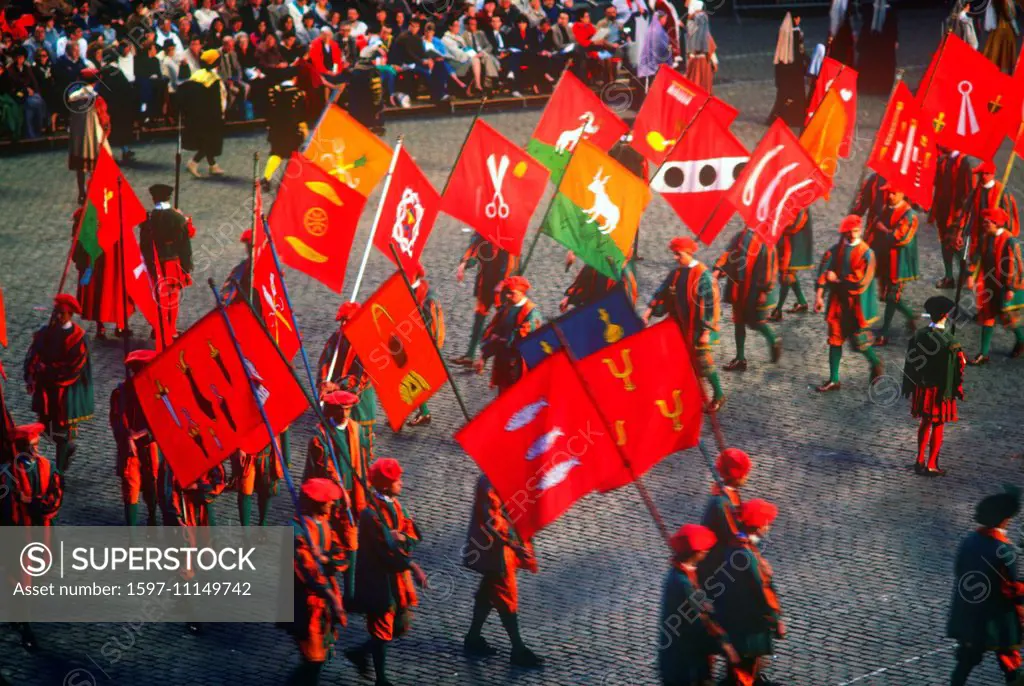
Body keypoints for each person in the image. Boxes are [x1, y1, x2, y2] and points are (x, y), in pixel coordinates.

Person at [345, 458, 428, 686]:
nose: (401, 482)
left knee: (399, 626)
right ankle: (381, 679)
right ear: (384, 485)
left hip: (396, 578)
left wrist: (403, 538)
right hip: (379, 580)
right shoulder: (370, 515)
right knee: (382, 628)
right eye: (396, 480)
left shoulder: (396, 505)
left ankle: (360, 652)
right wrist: (411, 564)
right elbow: (384, 551)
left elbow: (411, 533)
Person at [462, 474, 542, 667]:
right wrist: (512, 543)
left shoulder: (500, 475)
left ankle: (473, 637)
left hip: (502, 548)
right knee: (507, 595)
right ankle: (518, 648)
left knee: (488, 592)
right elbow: (493, 521)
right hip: (496, 550)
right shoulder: (489, 481)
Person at [948, 487, 1024, 686]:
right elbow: (1010, 589)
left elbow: (959, 569)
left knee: (965, 662)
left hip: (968, 611)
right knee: (1009, 661)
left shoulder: (969, 541)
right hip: (996, 618)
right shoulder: (1004, 550)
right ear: (1005, 519)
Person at [644, 237, 724, 411]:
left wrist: (706, 332)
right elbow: (662, 291)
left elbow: (712, 305)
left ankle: (718, 395)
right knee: (679, 361)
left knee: (703, 362)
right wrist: (649, 312)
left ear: (688, 254)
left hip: (699, 328)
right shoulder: (676, 273)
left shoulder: (703, 276)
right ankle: (689, 395)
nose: (675, 258)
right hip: (679, 325)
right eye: (674, 254)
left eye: (677, 254)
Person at [286, 478, 349, 686]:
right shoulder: (297, 530)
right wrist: (330, 595)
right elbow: (306, 571)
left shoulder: (325, 524)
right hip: (304, 600)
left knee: (319, 655)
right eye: (328, 500)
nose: (331, 503)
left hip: (323, 601)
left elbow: (341, 555)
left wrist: (325, 559)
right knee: (313, 657)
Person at [715, 499, 785, 686]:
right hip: (748, 624)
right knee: (745, 667)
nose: (768, 527)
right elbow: (760, 590)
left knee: (740, 666)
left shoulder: (737, 546)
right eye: (766, 523)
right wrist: (774, 619)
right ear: (758, 526)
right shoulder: (746, 554)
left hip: (735, 619)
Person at [659, 524, 739, 686]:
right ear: (696, 553)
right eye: (704, 550)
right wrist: (723, 645)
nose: (707, 552)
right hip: (685, 658)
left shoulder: (682, 574)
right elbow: (697, 619)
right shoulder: (682, 582)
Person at [23, 294, 93, 474]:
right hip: (47, 389)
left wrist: (48, 370)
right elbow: (34, 353)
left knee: (62, 430)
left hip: (65, 391)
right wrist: (33, 371)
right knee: (46, 426)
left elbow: (74, 367)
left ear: (70, 315)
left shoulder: (77, 339)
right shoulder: (46, 333)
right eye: (56, 312)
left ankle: (59, 470)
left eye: (62, 313)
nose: (58, 317)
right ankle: (68, 447)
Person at [813, 214, 884, 392]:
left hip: (856, 306)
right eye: (848, 231)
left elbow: (860, 282)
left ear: (859, 230)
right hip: (838, 304)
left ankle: (875, 363)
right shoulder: (837, 249)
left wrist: (837, 280)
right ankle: (834, 379)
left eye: (854, 231)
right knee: (835, 339)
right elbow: (825, 270)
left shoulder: (867, 254)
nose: (852, 235)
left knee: (859, 340)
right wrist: (820, 295)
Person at [901, 295, 965, 477]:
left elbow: (910, 363)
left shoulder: (918, 335)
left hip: (922, 387)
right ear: (945, 315)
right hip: (939, 390)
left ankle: (919, 459)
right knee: (938, 424)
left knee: (924, 423)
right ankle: (931, 464)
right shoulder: (950, 342)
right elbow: (958, 367)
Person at [713, 228, 782, 371]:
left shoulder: (768, 242)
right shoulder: (741, 235)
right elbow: (729, 253)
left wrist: (765, 290)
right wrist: (719, 268)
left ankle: (773, 340)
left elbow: (770, 269)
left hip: (754, 290)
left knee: (756, 322)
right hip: (738, 287)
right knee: (738, 321)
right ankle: (740, 358)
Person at [317, 302, 378, 459]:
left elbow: (360, 378)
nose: (343, 324)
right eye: (342, 321)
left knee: (359, 451)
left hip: (359, 407)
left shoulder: (366, 343)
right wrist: (324, 382)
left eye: (347, 321)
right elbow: (325, 360)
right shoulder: (337, 337)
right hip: (335, 399)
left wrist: (336, 386)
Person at [967, 207, 1024, 364]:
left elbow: (1014, 265)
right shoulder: (986, 237)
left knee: (1008, 318)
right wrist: (971, 274)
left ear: (996, 223)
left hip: (1005, 287)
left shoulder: (1009, 241)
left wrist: (1010, 288)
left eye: (988, 222)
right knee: (987, 317)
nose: (984, 225)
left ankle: (1022, 340)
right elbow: (977, 256)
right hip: (989, 284)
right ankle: (983, 354)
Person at [452, 233, 519, 366]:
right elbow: (473, 253)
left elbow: (511, 264)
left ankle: (510, 356)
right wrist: (463, 265)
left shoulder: (509, 234)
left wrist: (503, 283)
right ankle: (470, 355)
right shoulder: (482, 233)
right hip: (486, 282)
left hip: (504, 286)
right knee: (480, 314)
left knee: (506, 321)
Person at [110, 349, 160, 526]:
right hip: (129, 447)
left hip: (150, 445)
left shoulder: (157, 393)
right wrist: (128, 439)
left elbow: (162, 422)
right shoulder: (121, 393)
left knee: (152, 482)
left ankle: (152, 516)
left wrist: (142, 434)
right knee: (130, 485)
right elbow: (117, 419)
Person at [140, 183, 194, 341]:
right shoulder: (177, 218)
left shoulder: (148, 218)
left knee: (158, 297)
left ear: (153, 198)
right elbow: (185, 244)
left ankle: (158, 328)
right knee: (172, 298)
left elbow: (144, 243)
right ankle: (171, 330)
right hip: (172, 263)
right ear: (169, 197)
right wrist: (186, 265)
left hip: (154, 263)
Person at [476, 276, 544, 392]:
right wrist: (484, 356)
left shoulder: (532, 313)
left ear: (521, 293)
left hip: (518, 365)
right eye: (506, 293)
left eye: (511, 293)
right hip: (503, 362)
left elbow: (524, 336)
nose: (507, 296)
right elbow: (495, 330)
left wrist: (502, 339)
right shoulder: (506, 307)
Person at [872, 185, 920, 346]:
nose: (890, 195)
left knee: (893, 296)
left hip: (899, 262)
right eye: (888, 192)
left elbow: (900, 237)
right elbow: (874, 225)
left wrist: (884, 229)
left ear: (902, 193)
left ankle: (885, 332)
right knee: (885, 296)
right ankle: (910, 315)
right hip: (884, 259)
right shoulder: (886, 208)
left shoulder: (909, 215)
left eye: (894, 192)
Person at [698, 447, 749, 583]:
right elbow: (733, 534)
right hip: (716, 563)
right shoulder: (721, 502)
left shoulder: (728, 493)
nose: (747, 476)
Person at [178, 48, 227, 178]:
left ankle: (213, 165)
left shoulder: (197, 75)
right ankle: (194, 162)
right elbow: (219, 100)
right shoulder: (214, 80)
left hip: (196, 114)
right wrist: (222, 113)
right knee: (210, 140)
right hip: (210, 116)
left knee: (205, 139)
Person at [65, 68, 110, 204]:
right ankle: (95, 192)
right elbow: (104, 119)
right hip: (93, 134)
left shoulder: (73, 97)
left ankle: (81, 193)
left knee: (80, 167)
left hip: (78, 135)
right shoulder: (96, 99)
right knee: (97, 165)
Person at [930, 148, 973, 289]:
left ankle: (966, 273)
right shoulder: (942, 160)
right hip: (942, 211)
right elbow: (937, 186)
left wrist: (962, 215)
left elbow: (968, 191)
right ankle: (949, 276)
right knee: (944, 243)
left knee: (955, 244)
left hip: (955, 212)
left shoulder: (964, 162)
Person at [960, 161, 1020, 263]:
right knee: (974, 260)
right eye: (981, 174)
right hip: (978, 232)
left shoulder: (1002, 191)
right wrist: (960, 230)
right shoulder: (977, 190)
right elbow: (966, 209)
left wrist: (997, 225)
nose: (983, 176)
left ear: (992, 175)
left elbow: (1009, 216)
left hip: (994, 233)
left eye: (986, 173)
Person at [407, 265, 444, 427]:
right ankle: (415, 411)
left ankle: (424, 411)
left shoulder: (428, 298)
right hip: (407, 342)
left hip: (422, 346)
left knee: (411, 377)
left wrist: (429, 350)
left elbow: (433, 327)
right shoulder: (405, 290)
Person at [262, 75, 306, 189]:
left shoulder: (273, 91)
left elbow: (268, 111)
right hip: (291, 130)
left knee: (276, 153)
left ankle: (267, 177)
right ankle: (292, 180)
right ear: (295, 78)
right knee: (294, 155)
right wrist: (304, 130)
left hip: (276, 128)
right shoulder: (298, 94)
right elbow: (300, 115)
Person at [771, 208, 813, 319]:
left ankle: (778, 310)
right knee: (789, 274)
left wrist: (781, 225)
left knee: (787, 275)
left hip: (791, 246)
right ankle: (802, 302)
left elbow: (796, 225)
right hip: (784, 244)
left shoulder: (802, 205)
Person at [767, 13, 806, 127]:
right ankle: (795, 118)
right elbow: (799, 52)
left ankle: (778, 117)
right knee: (796, 94)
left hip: (783, 69)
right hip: (795, 70)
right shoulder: (797, 33)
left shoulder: (782, 31)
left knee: (783, 94)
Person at [856, 0, 897, 95]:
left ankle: (879, 86)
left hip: (882, 41)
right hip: (873, 40)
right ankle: (869, 85)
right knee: (870, 61)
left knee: (881, 63)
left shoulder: (888, 11)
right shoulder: (871, 9)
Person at [684, 0, 715, 93]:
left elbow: (703, 40)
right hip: (698, 56)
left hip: (698, 57)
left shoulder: (698, 18)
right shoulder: (698, 18)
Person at [982, 0, 1018, 74]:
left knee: (995, 51)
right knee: (1003, 52)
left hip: (999, 28)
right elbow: (1011, 17)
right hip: (1006, 30)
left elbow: (990, 16)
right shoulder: (1006, 2)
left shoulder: (994, 2)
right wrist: (1016, 31)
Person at [827, 0, 856, 67]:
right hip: (842, 33)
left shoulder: (839, 3)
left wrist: (832, 34)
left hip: (841, 34)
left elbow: (836, 18)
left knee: (840, 59)